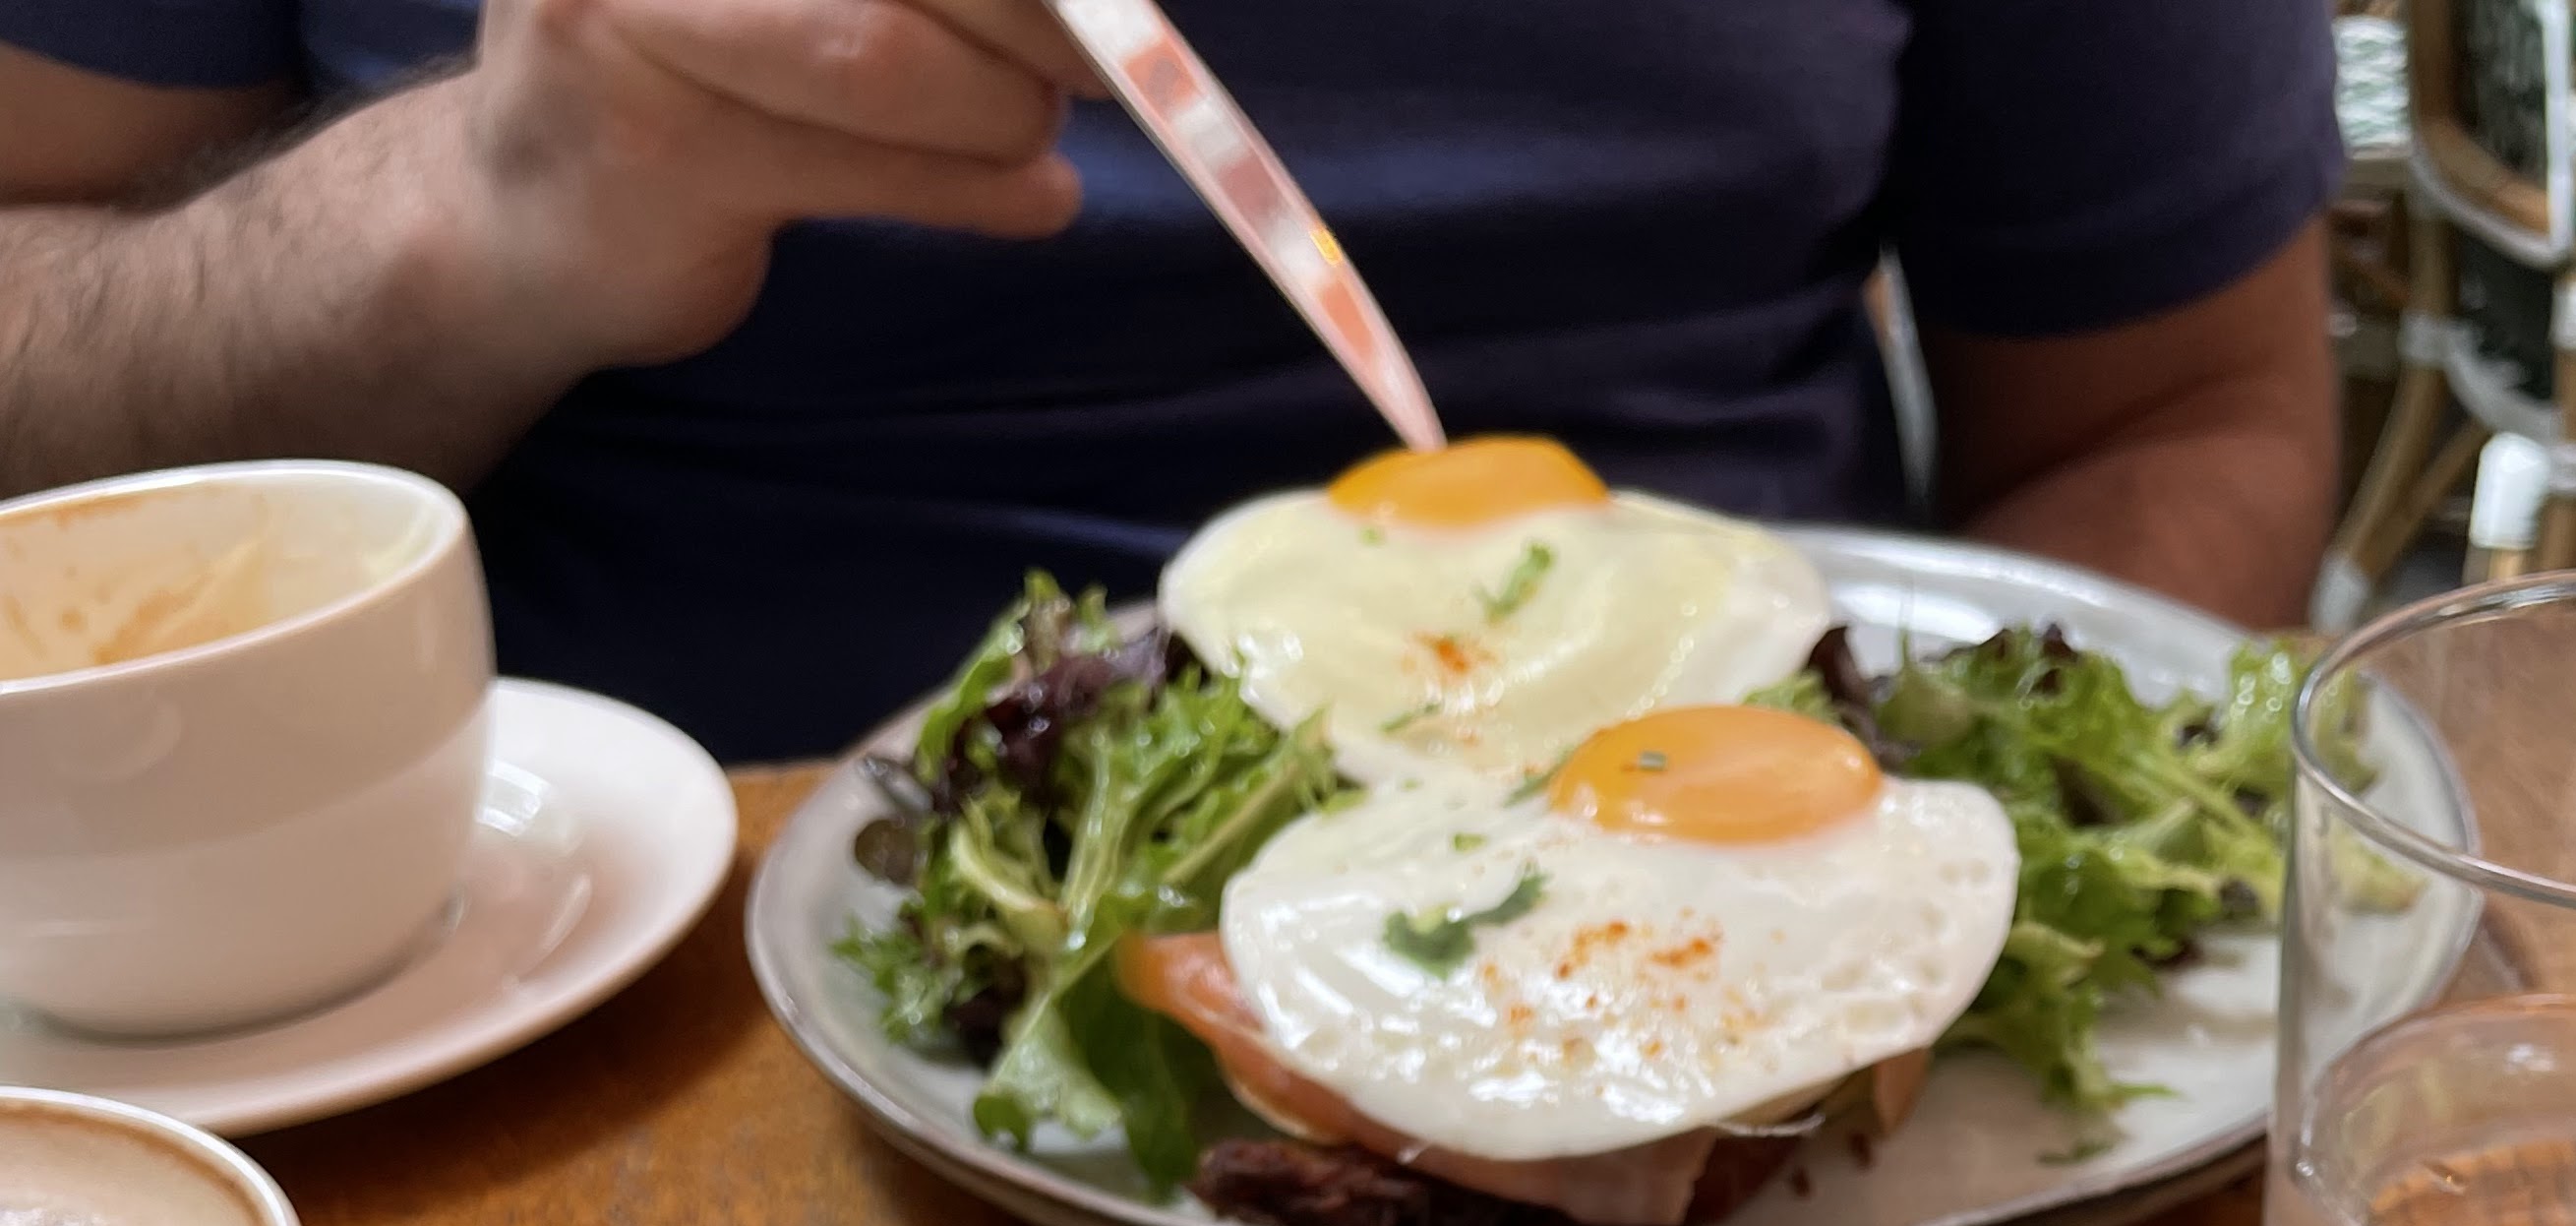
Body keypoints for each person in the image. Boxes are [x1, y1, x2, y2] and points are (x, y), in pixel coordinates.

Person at [0, 2, 2343, 760]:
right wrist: (468, 216)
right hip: (557, 1005)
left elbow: (2179, 418)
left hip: (1772, 996)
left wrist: (1890, 877)